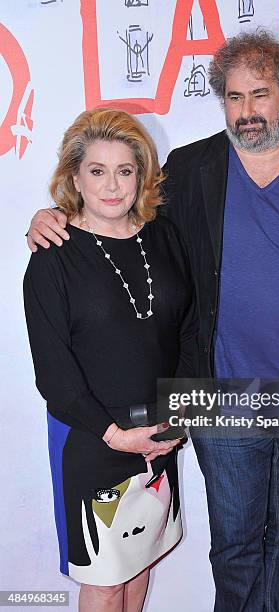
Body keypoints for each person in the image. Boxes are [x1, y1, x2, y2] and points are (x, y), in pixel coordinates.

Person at [27, 32, 279, 612]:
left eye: (260, 95)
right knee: (236, 545)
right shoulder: (189, 169)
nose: (247, 111)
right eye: (234, 97)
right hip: (219, 394)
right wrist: (53, 217)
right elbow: (122, 218)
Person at [24, 108, 197, 612]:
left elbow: (187, 328)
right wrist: (116, 435)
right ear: (74, 176)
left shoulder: (163, 236)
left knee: (140, 559)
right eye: (97, 171)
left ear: (141, 174)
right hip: (93, 438)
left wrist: (179, 411)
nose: (113, 186)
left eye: (125, 170)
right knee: (103, 578)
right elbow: (53, 371)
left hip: (159, 429)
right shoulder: (52, 254)